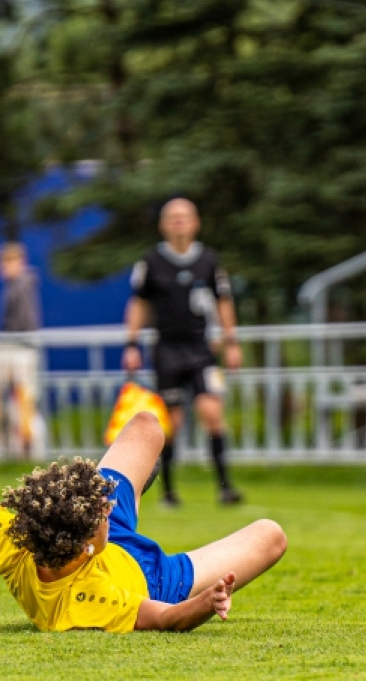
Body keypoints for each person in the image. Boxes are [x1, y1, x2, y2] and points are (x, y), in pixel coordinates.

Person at [0, 410, 287, 632]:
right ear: (81, 544)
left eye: (104, 506)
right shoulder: (85, 601)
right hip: (156, 578)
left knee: (146, 424)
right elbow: (165, 618)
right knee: (272, 535)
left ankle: (129, 494)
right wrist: (205, 602)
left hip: (110, 541)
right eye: (104, 513)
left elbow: (98, 518)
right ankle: (133, 494)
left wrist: (96, 508)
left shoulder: (20, 541)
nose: (109, 510)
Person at [123, 198, 243, 507]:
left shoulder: (209, 260)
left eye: (185, 216)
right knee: (171, 423)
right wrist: (132, 343)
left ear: (196, 222)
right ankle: (169, 492)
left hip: (202, 350)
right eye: (172, 217)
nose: (179, 222)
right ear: (163, 225)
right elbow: (138, 303)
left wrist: (231, 342)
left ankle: (225, 487)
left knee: (212, 413)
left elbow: (224, 301)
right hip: (167, 350)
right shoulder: (151, 262)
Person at [0, 242, 40, 332]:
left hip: (21, 340)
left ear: (21, 262)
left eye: (9, 262)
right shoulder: (12, 285)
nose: (5, 268)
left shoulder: (21, 286)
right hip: (17, 338)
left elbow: (25, 317)